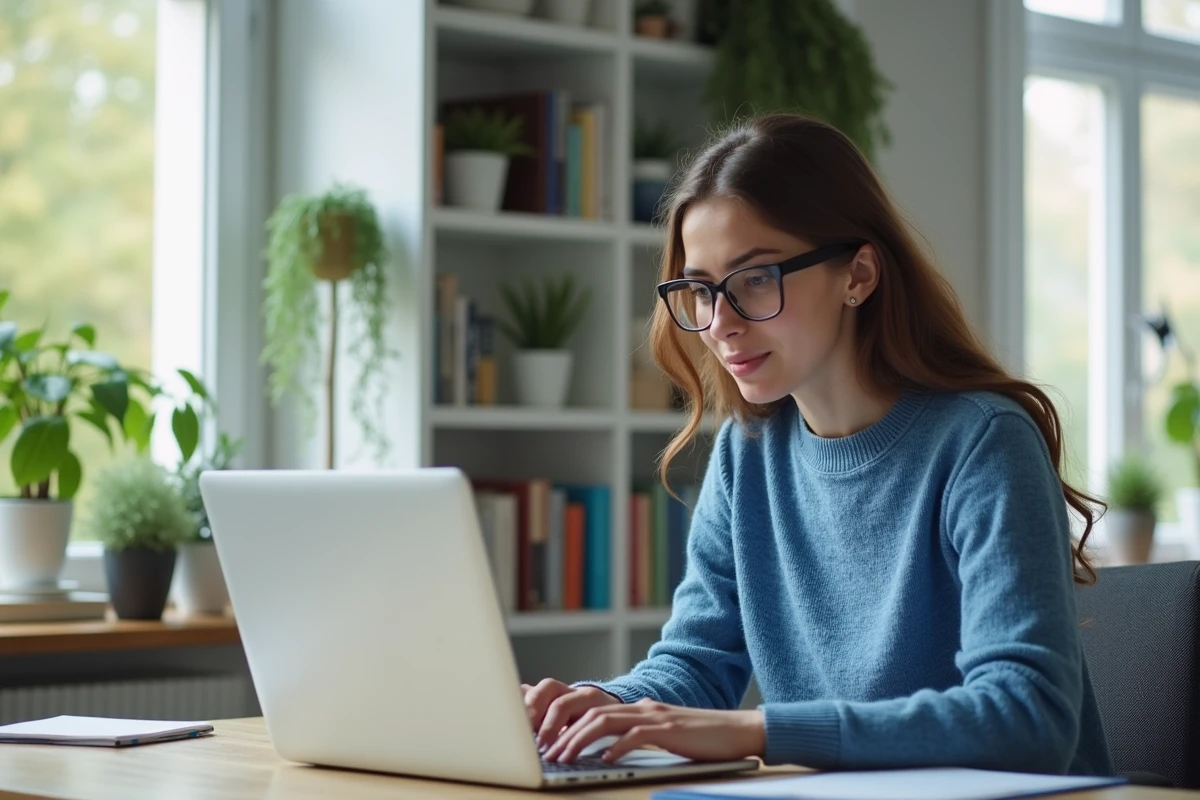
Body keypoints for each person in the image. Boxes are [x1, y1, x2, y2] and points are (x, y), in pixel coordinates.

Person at [521, 113, 1114, 776]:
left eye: (754, 280)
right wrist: (599, 706)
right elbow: (697, 664)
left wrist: (757, 731)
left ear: (857, 275)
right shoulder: (747, 454)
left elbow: (1027, 718)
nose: (721, 325)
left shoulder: (983, 442)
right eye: (702, 290)